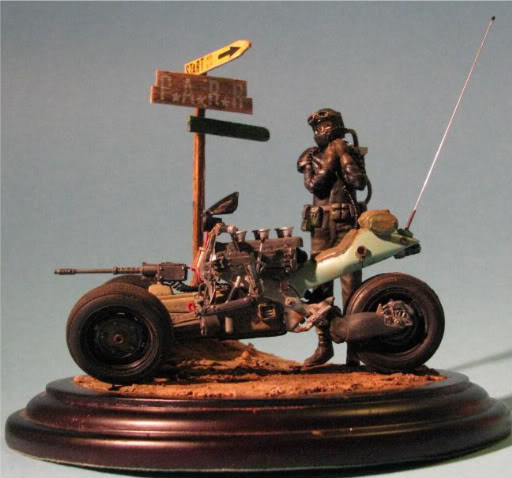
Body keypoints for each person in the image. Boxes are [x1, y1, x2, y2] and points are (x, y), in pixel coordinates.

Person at [297, 108, 369, 366]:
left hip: (345, 223)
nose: (321, 132)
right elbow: (315, 186)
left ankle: (356, 351)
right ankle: (324, 344)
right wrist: (326, 160)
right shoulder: (311, 156)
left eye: (325, 126)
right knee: (318, 285)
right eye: (317, 128)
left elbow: (359, 183)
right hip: (320, 224)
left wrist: (344, 157)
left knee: (352, 288)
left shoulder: (348, 151)